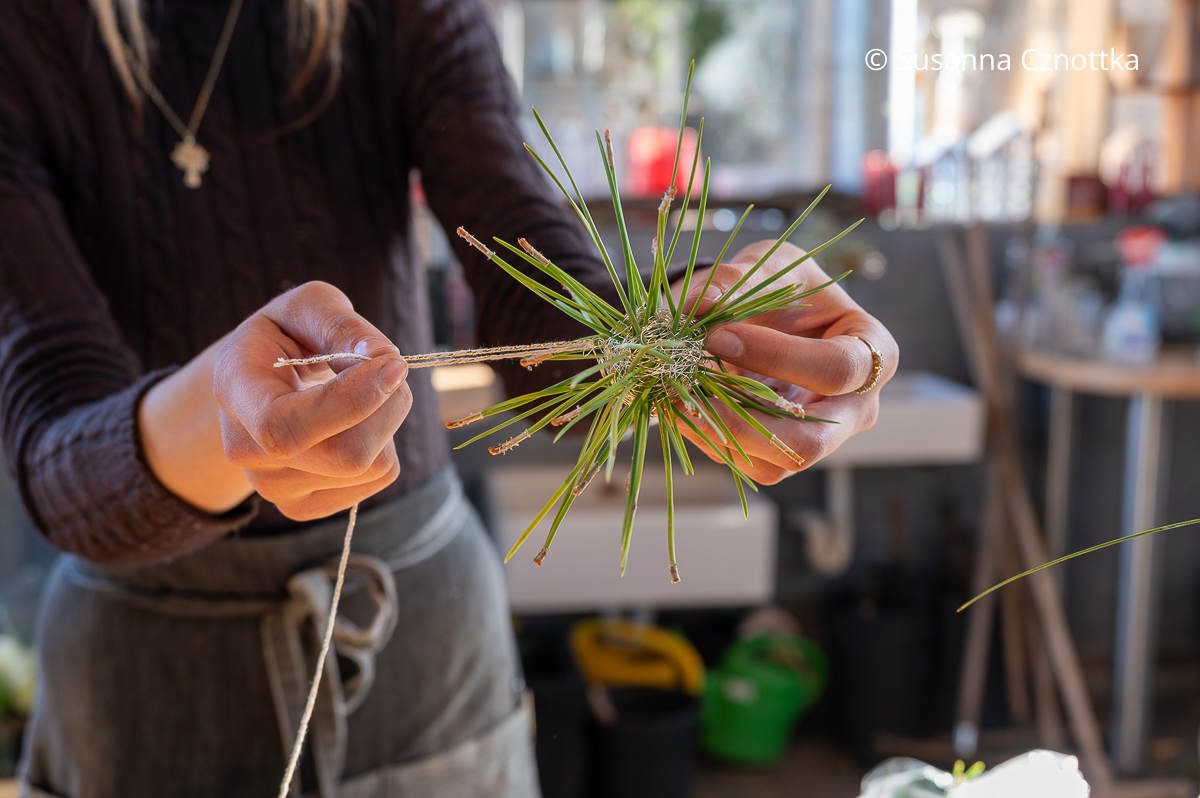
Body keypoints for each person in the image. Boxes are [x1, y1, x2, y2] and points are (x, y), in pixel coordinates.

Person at [0, 0, 898, 795]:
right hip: (141, 666)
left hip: (416, 638)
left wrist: (681, 330)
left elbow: (525, 264)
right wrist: (217, 415)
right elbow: (56, 444)